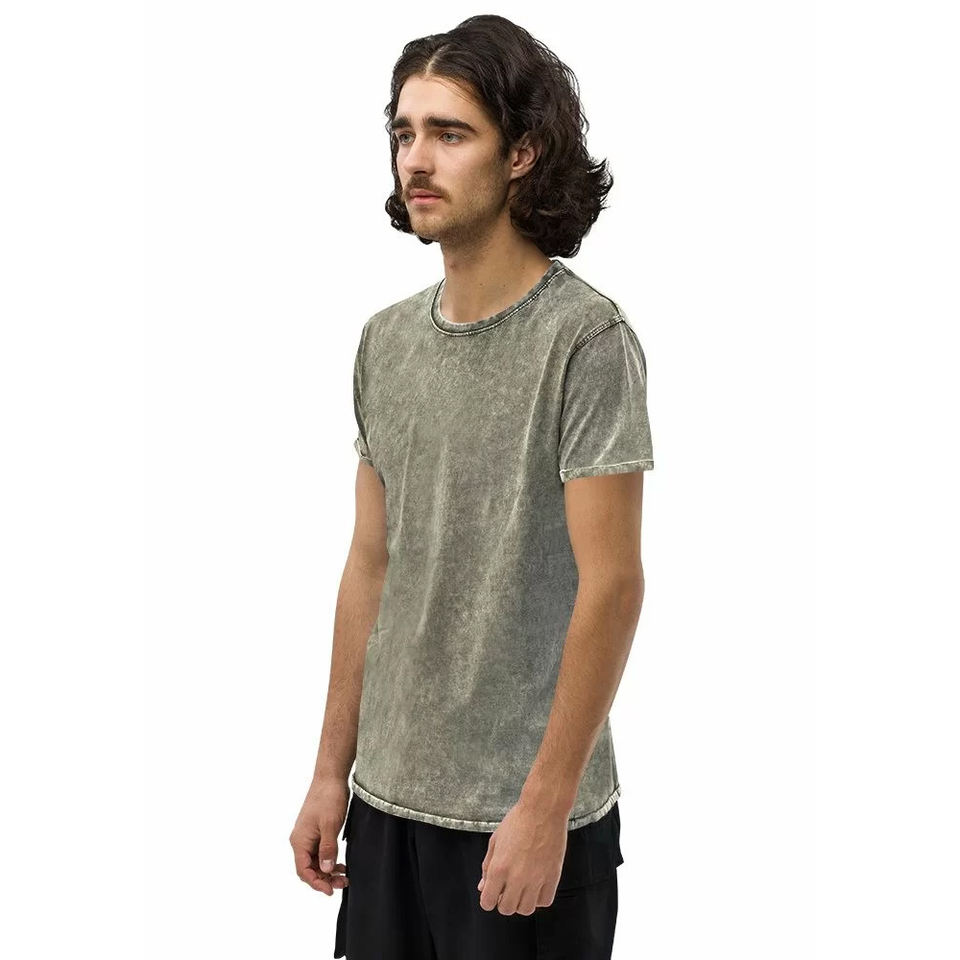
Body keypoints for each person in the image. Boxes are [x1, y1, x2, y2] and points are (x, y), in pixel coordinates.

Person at [290, 14, 655, 959]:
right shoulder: (385, 341)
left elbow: (613, 585)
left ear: (522, 152)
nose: (417, 159)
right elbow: (371, 565)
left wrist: (545, 806)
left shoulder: (586, 342)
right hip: (386, 807)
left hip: (520, 821)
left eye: (450, 134)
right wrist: (330, 773)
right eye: (405, 132)